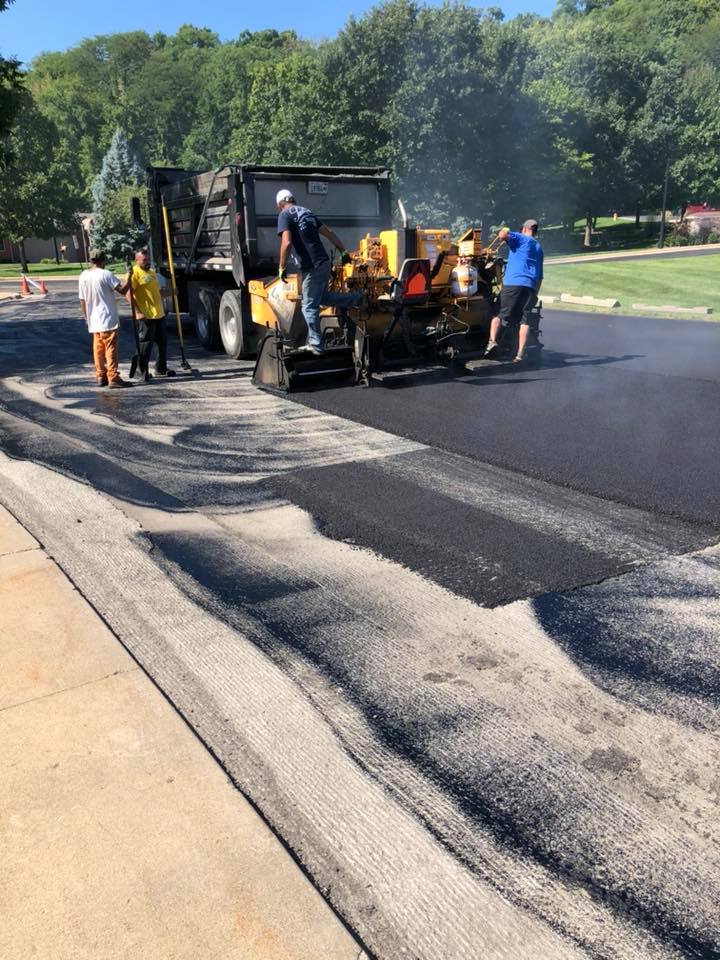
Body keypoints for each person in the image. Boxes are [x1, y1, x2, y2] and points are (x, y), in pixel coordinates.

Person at [276, 189, 360, 355]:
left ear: (279, 205)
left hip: (312, 266)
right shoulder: (307, 212)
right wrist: (343, 251)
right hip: (324, 263)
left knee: (308, 307)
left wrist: (281, 267)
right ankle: (356, 298)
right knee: (322, 298)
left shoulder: (284, 215)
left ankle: (316, 345)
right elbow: (330, 233)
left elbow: (286, 243)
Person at [484, 219, 543, 363]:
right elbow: (540, 276)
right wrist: (535, 293)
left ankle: (491, 342)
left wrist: (504, 230)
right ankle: (520, 354)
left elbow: (503, 235)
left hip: (514, 283)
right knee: (524, 320)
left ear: (524, 229)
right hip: (531, 287)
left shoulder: (521, 238)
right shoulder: (538, 247)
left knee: (498, 313)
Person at [78, 249, 131, 388]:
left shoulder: (83, 275)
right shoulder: (106, 274)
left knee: (98, 349)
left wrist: (86, 317)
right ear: (103, 260)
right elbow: (123, 290)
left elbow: (82, 300)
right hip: (107, 318)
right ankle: (113, 376)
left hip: (94, 320)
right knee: (110, 348)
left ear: (91, 261)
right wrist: (129, 275)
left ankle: (101, 375)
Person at [126, 250, 176, 378]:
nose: (147, 262)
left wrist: (171, 292)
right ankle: (140, 371)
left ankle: (161, 368)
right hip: (146, 316)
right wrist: (137, 312)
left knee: (162, 344)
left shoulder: (151, 272)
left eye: (148, 259)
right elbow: (128, 294)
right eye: (144, 260)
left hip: (159, 314)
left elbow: (157, 293)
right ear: (137, 261)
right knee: (145, 345)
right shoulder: (134, 273)